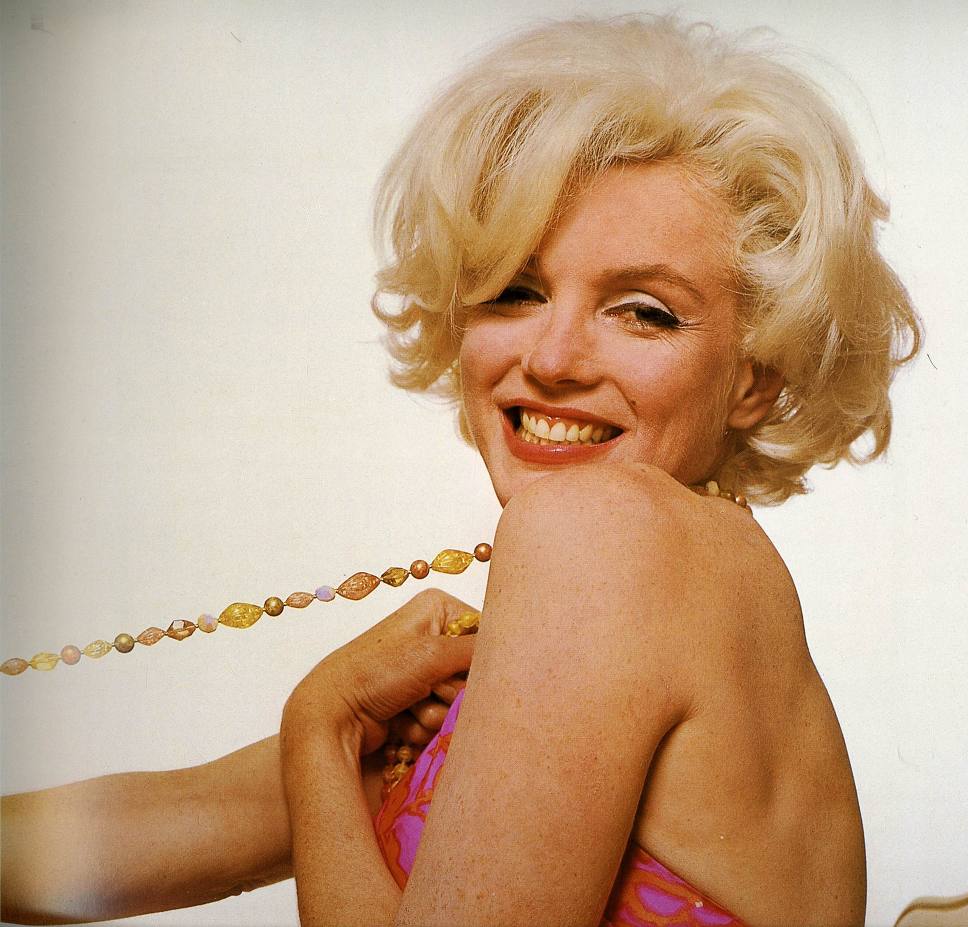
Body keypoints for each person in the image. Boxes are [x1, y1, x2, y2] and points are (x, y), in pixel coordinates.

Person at [1, 14, 919, 927]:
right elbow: (151, 828)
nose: (552, 357)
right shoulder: (679, 593)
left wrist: (321, 725)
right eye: (515, 290)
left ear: (755, 376)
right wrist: (323, 742)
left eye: (642, 311)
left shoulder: (609, 535)